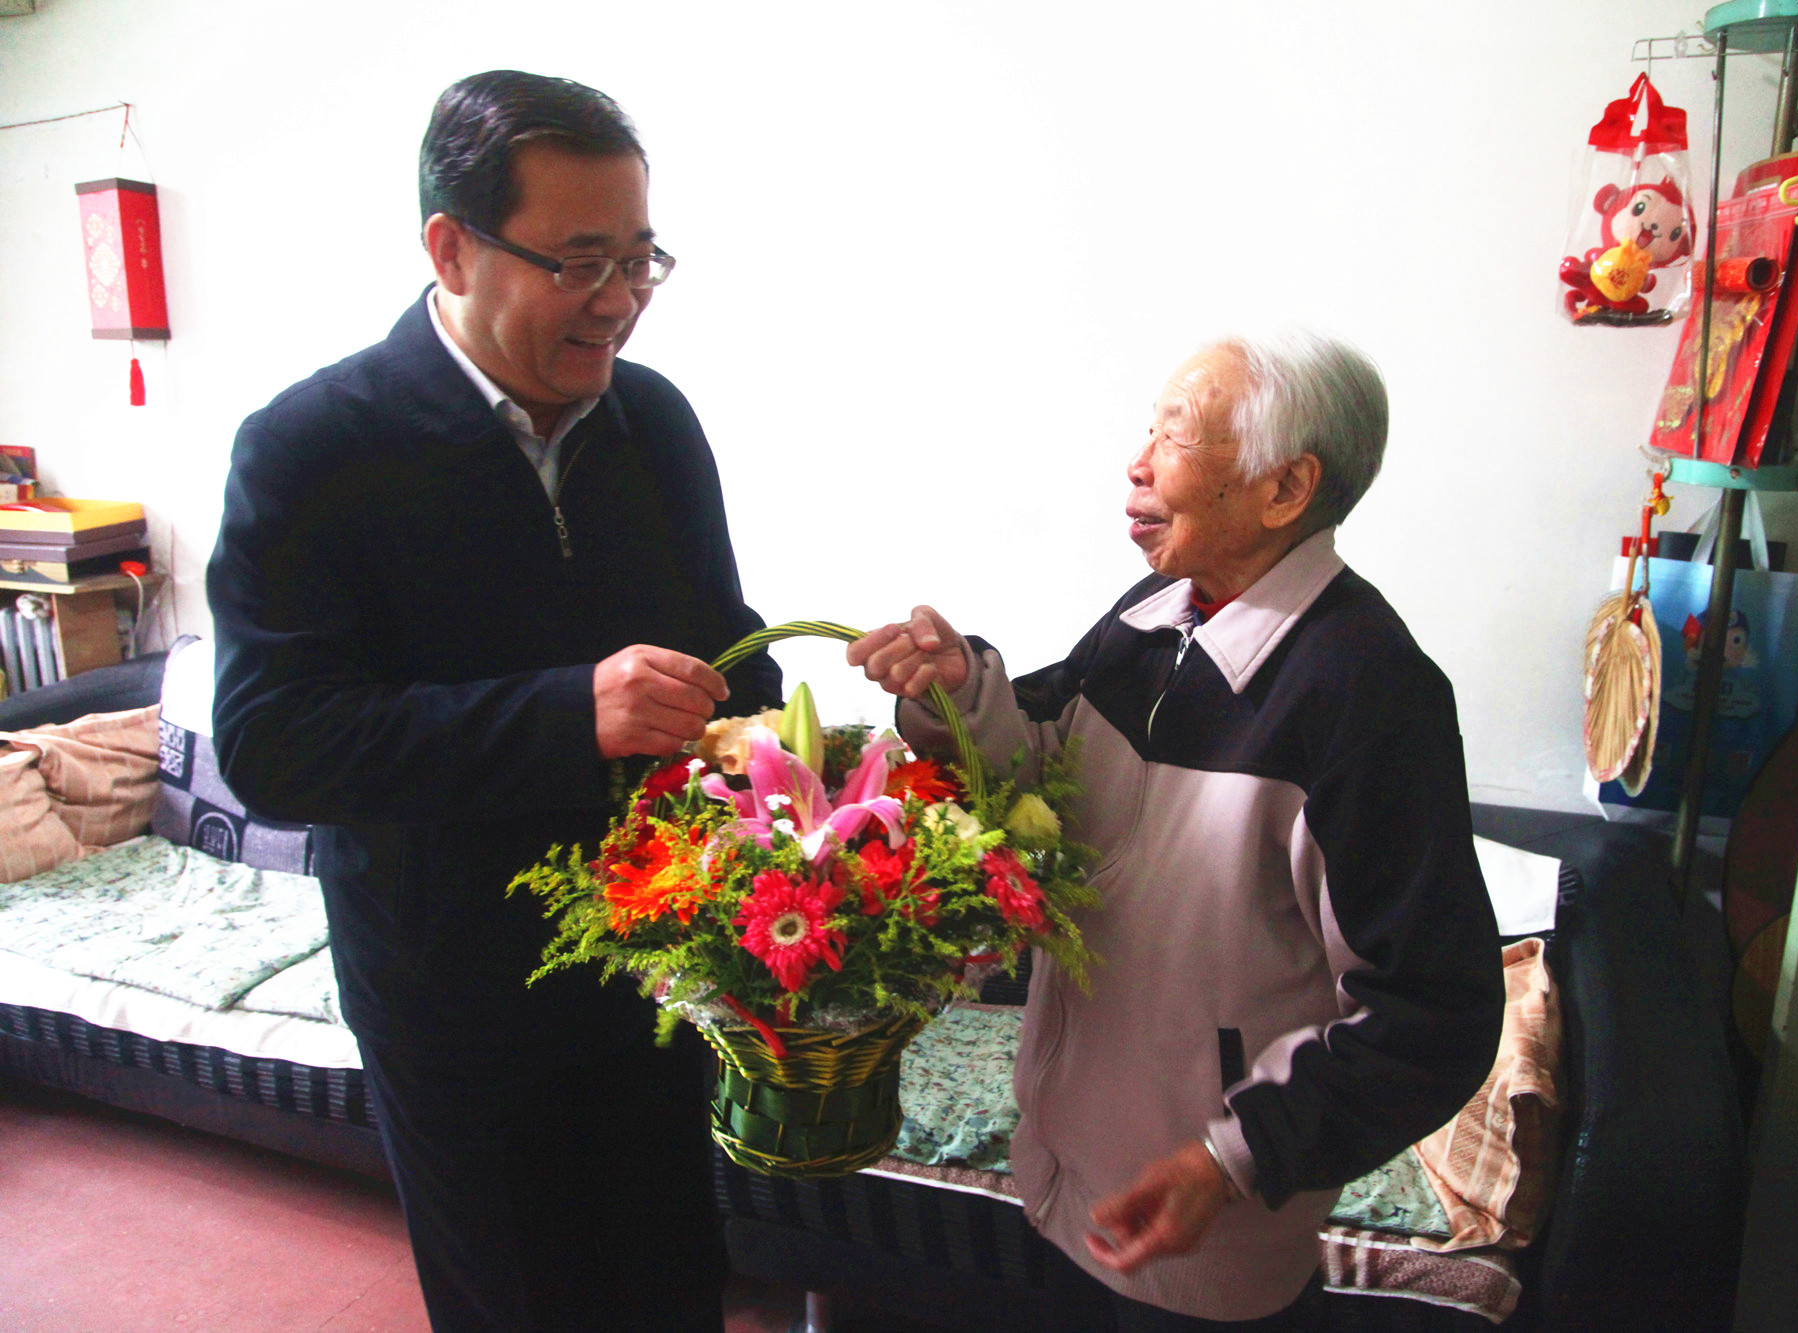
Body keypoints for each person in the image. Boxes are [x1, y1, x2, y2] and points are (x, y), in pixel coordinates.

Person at [207, 71, 779, 1333]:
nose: (619, 301)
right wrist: (569, 715)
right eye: (578, 263)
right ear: (450, 247)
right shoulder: (313, 448)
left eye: (639, 260)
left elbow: (730, 652)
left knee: (673, 1292)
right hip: (456, 1000)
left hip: (654, 974)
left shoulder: (653, 425)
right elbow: (274, 742)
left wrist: (774, 725)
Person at [848, 332, 1504, 1330]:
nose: (1137, 462)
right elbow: (1040, 765)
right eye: (1147, 428)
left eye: (1176, 434)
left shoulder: (1367, 694)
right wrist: (956, 694)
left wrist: (1230, 1157)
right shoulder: (1157, 612)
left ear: (1284, 488)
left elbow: (1430, 1015)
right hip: (1064, 1180)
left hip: (1201, 1228)